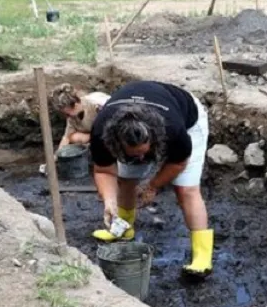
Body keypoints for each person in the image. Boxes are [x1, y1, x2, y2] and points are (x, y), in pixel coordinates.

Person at [88, 80, 212, 279]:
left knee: (185, 190)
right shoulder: (102, 131)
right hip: (132, 121)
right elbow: (104, 171)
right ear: (116, 141)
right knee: (126, 180)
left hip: (188, 119)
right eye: (133, 155)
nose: (140, 160)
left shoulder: (173, 129)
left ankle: (202, 257)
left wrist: (153, 186)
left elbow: (178, 163)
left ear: (154, 139)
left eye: (143, 154)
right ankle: (123, 228)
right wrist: (109, 202)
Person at [50, 83, 111, 148]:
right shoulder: (72, 117)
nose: (67, 116)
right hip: (94, 137)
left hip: (108, 134)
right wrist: (57, 156)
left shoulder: (96, 105)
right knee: (74, 137)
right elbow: (66, 138)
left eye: (68, 113)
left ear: (75, 105)